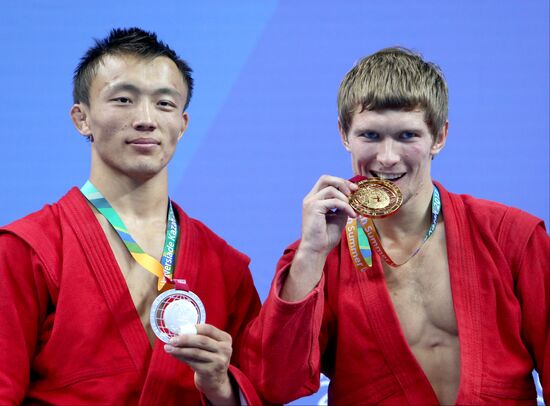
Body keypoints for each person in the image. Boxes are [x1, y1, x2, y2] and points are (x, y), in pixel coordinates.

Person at [240, 47, 549, 404]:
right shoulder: (322, 256)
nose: (387, 158)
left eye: (407, 136)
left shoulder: (512, 237)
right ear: (344, 134)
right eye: (370, 135)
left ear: (440, 137)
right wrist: (311, 254)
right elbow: (273, 384)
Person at [0, 28, 261, 405]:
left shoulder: (225, 266)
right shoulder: (25, 251)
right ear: (81, 119)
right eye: (123, 99)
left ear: (183, 125)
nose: (145, 119)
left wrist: (222, 389)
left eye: (164, 104)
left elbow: (262, 388)